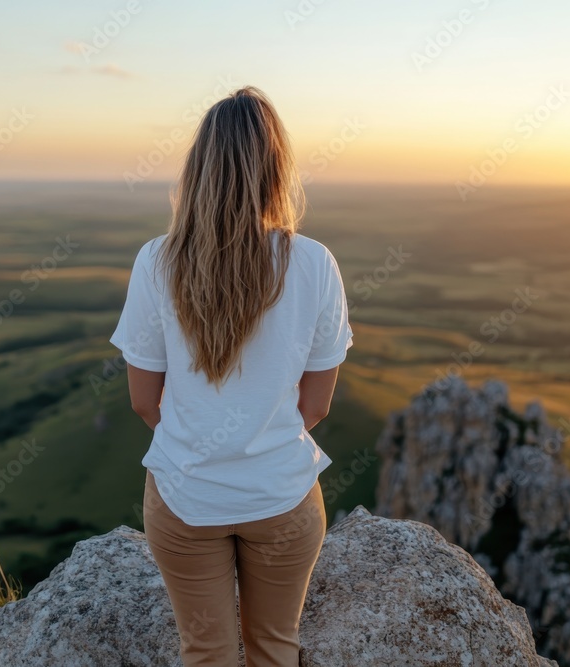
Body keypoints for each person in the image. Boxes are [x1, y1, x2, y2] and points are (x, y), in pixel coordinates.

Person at [109, 85, 353, 666]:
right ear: (275, 170)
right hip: (284, 497)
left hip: (184, 496)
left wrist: (201, 438)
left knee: (206, 653)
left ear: (199, 170)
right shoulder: (315, 263)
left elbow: (145, 401)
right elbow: (315, 406)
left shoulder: (157, 261)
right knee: (275, 649)